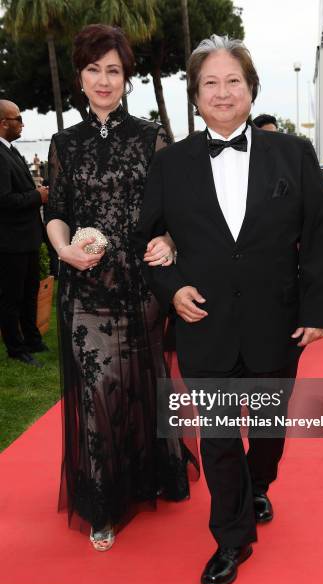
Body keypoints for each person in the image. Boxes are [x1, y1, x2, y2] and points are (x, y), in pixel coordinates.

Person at [135, 34, 323, 584]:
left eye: (233, 81)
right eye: (210, 83)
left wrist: (320, 308)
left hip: (277, 322)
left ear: (251, 88)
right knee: (220, 434)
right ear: (195, 96)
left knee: (268, 430)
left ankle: (260, 483)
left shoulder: (292, 154)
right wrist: (170, 286)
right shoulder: (171, 164)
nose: (222, 92)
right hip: (205, 323)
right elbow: (151, 240)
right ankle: (232, 536)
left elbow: (320, 235)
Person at [45, 24, 197, 552]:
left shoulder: (151, 136)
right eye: (93, 69)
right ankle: (103, 502)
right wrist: (63, 249)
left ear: (126, 77)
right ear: (80, 78)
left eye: (113, 69)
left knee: (143, 383)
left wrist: (170, 243)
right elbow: (57, 213)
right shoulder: (64, 143)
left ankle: (151, 474)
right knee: (98, 391)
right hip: (85, 287)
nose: (104, 80)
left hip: (141, 284)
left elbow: (175, 210)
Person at [0, 99, 49, 367]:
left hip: (27, 237)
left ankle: (32, 339)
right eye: (17, 118)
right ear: (3, 123)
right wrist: (37, 196)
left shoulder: (11, 150)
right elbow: (4, 200)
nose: (22, 123)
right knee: (12, 298)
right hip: (10, 241)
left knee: (30, 292)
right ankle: (15, 348)